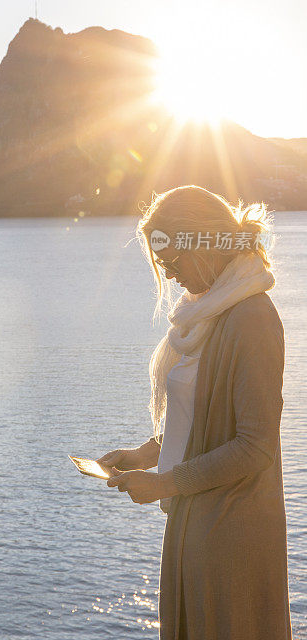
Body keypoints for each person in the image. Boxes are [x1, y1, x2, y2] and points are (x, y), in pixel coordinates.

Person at [96, 185, 293, 640]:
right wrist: (144, 454)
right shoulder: (205, 315)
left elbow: (255, 445)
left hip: (233, 536)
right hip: (194, 526)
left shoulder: (252, 318)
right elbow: (201, 423)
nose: (168, 272)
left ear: (201, 242)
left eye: (170, 259)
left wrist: (165, 482)